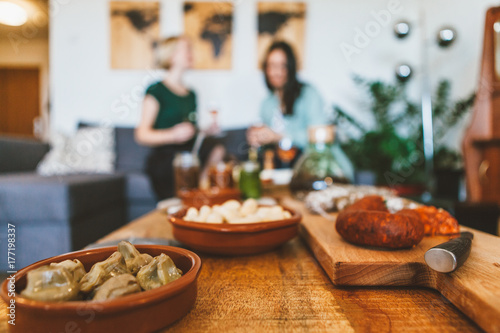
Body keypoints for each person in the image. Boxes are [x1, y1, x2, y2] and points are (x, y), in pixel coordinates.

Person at [135, 36, 223, 200]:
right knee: (182, 165)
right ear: (171, 55)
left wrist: (205, 130)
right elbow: (142, 135)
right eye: (187, 49)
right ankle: (190, 198)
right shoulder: (156, 90)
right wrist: (173, 135)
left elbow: (191, 129)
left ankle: (200, 191)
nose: (191, 53)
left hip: (190, 152)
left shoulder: (191, 94)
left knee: (217, 148)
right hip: (166, 157)